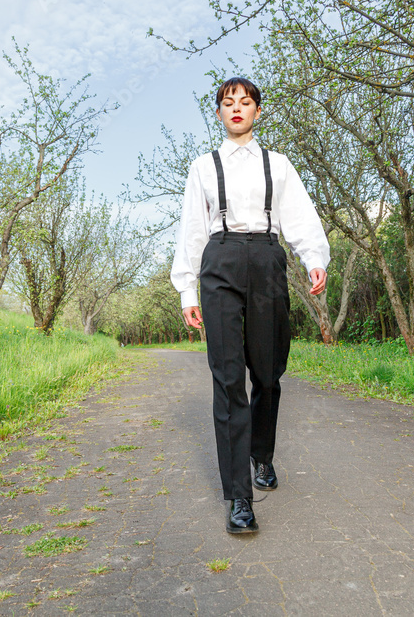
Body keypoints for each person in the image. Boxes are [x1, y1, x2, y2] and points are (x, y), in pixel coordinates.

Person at [171, 77, 330, 534]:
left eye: (245, 102)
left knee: (267, 373)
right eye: (228, 102)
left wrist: (314, 257)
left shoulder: (277, 165)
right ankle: (240, 496)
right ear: (219, 113)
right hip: (218, 261)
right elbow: (191, 231)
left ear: (258, 111)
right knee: (227, 380)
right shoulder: (203, 167)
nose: (236, 108)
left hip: (265, 258)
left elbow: (299, 214)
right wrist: (187, 290)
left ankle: (263, 455)